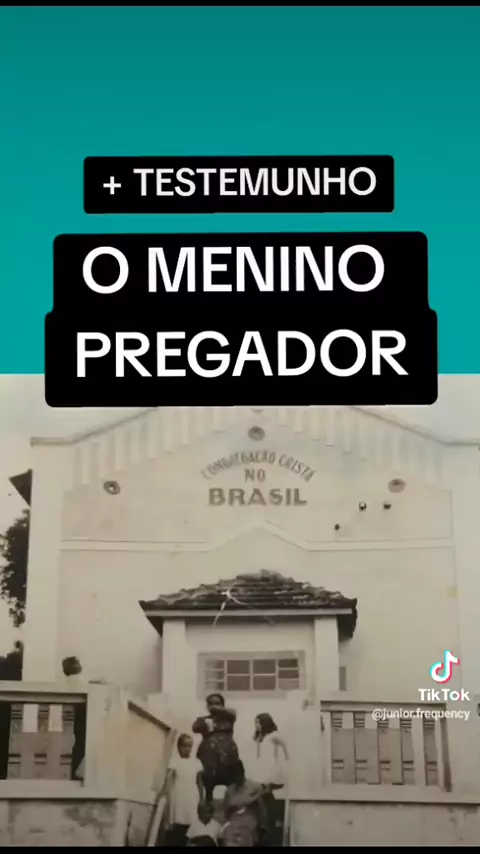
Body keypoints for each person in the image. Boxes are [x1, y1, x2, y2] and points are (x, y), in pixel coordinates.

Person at [192, 694, 239, 802]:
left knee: (231, 781)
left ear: (222, 704)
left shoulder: (228, 718)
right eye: (211, 703)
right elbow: (195, 728)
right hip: (209, 756)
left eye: (217, 703)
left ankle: (232, 805)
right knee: (208, 782)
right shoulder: (203, 719)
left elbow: (233, 712)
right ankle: (207, 804)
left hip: (227, 755)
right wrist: (205, 723)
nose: (214, 706)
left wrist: (220, 709)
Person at [252, 714, 290, 846]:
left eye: (258, 723)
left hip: (271, 768)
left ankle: (274, 823)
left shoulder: (274, 735)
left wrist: (287, 756)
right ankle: (268, 823)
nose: (256, 725)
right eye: (256, 723)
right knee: (265, 796)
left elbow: (284, 744)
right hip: (263, 767)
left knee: (268, 793)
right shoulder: (261, 737)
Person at [165, 734, 204, 847]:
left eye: (189, 746)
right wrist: (165, 793)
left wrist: (202, 798)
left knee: (191, 822)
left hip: (192, 796)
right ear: (178, 747)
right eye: (184, 746)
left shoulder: (196, 762)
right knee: (178, 823)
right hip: (179, 796)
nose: (187, 749)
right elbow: (168, 779)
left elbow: (200, 782)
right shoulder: (174, 761)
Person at [220, 760, 267, 848]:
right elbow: (225, 813)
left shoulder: (254, 787)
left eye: (236, 774)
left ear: (242, 772)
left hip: (248, 825)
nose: (235, 777)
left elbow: (261, 809)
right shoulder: (229, 790)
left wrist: (260, 827)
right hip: (233, 825)